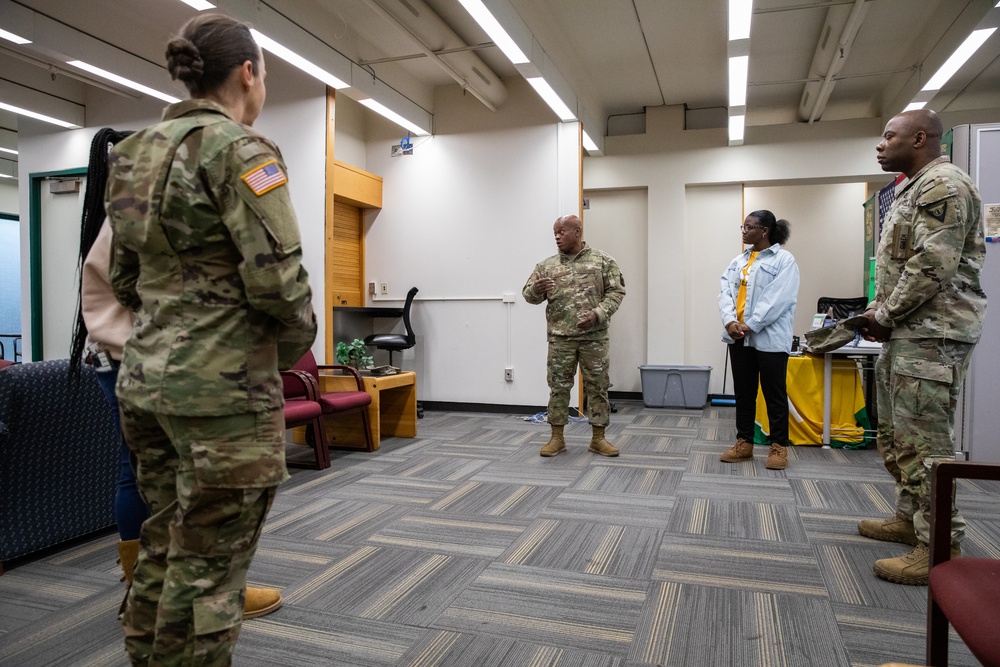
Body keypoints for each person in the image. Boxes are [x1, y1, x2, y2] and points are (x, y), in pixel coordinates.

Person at [105, 14, 316, 664]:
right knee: (210, 579)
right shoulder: (243, 150)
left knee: (166, 551)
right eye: (264, 74)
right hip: (222, 399)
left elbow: (123, 277)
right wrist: (266, 361)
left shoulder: (132, 152)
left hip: (146, 389)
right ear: (247, 73)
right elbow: (281, 289)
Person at [70, 127, 288, 622]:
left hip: (121, 356)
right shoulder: (149, 204)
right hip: (141, 360)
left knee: (144, 473)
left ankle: (148, 588)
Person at [858, 108, 987, 585]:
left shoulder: (943, 185)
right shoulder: (911, 189)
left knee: (925, 442)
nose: (880, 144)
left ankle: (938, 544)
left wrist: (885, 315)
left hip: (932, 334)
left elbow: (932, 264)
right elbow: (895, 265)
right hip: (909, 331)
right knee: (897, 436)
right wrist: (878, 312)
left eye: (888, 136)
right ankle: (911, 521)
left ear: (918, 138)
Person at [522, 214, 626, 457]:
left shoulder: (603, 261)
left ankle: (598, 439)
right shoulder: (546, 266)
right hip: (560, 338)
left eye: (562, 231)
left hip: (595, 337)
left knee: (598, 387)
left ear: (577, 232)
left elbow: (617, 292)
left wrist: (599, 314)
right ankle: (556, 438)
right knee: (558, 387)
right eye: (555, 233)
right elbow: (528, 295)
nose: (557, 237)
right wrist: (536, 290)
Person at [717, 210, 799, 470]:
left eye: (749, 227)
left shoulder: (784, 260)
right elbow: (725, 293)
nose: (744, 231)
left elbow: (778, 298)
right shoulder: (738, 261)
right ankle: (744, 444)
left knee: (774, 394)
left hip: (769, 339)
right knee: (744, 393)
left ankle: (778, 448)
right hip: (738, 338)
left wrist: (751, 325)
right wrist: (730, 321)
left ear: (764, 231)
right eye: (743, 226)